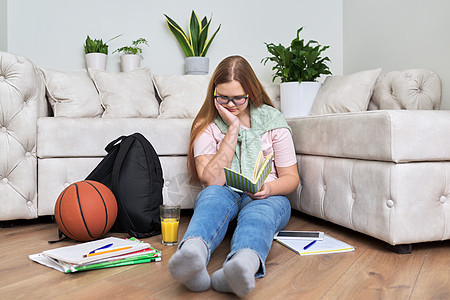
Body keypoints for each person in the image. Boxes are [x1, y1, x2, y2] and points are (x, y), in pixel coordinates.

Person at [168, 55, 299, 297]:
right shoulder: (207, 125)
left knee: (260, 213)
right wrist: (233, 128)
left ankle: (242, 265)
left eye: (238, 98)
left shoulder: (273, 121)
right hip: (225, 190)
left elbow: (291, 178)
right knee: (212, 196)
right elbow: (213, 180)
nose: (230, 104)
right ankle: (193, 255)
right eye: (223, 98)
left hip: (267, 195)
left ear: (251, 92)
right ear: (214, 94)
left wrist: (268, 189)